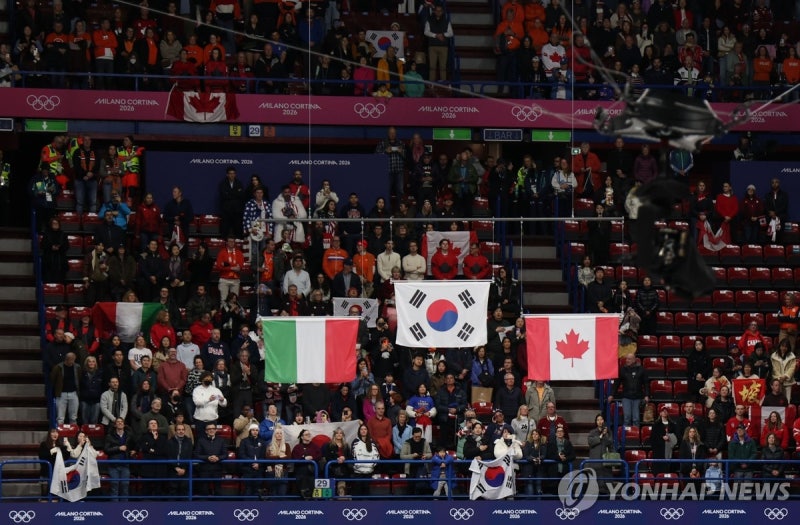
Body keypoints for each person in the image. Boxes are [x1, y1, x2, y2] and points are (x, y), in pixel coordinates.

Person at [608, 354, 649, 428]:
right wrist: (612, 395)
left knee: (636, 418)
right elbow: (616, 383)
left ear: (634, 360)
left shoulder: (641, 369)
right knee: (627, 418)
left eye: (629, 359)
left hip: (637, 397)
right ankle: (626, 436)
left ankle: (636, 435)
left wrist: (646, 395)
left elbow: (646, 383)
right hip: (626, 397)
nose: (627, 360)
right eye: (626, 359)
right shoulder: (622, 370)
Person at [104, 417, 134, 501]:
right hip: (114, 465)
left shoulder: (129, 435)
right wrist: (118, 448)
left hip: (125, 464)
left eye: (121, 422)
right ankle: (114, 509)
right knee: (114, 485)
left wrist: (133, 450)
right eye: (118, 422)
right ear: (115, 425)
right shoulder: (109, 436)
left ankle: (124, 508)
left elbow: (135, 445)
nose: (120, 423)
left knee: (125, 485)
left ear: (124, 424)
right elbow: (106, 450)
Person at [194, 422, 227, 496]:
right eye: (209, 429)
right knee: (204, 491)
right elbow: (196, 454)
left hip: (217, 469)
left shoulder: (221, 440)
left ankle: (218, 507)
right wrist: (207, 458)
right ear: (206, 431)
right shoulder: (201, 440)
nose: (211, 430)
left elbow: (225, 454)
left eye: (213, 429)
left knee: (218, 491)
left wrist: (218, 458)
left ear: (216, 430)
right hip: (204, 469)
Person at [139, 418, 168, 497]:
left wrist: (152, 450)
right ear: (148, 427)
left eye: (155, 423)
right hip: (148, 466)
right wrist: (154, 441)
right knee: (146, 488)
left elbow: (164, 451)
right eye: (151, 423)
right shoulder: (144, 437)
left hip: (159, 467)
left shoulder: (163, 437)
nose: (153, 424)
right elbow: (144, 449)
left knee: (158, 489)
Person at [292, 428, 322, 499]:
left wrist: (312, 457)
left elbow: (320, 455)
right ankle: (304, 492)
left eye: (309, 434)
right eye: (306, 434)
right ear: (302, 437)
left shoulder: (315, 446)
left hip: (313, 471)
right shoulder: (297, 447)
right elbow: (294, 459)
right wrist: (304, 459)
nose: (308, 436)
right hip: (301, 473)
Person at [237, 423, 266, 498]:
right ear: (250, 431)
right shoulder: (244, 441)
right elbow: (241, 455)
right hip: (247, 469)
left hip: (259, 470)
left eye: (256, 430)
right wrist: (252, 463)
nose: (255, 432)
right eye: (253, 430)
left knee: (257, 491)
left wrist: (258, 464)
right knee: (248, 490)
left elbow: (264, 456)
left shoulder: (262, 442)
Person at [650, 406, 677, 474]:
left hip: (669, 448)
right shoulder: (656, 425)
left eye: (666, 411)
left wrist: (669, 437)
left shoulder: (672, 424)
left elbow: (676, 436)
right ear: (660, 413)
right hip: (659, 450)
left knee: (668, 468)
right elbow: (653, 437)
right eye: (663, 411)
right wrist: (661, 438)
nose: (664, 412)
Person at [771, 338, 796, 403]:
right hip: (777, 381)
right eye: (782, 346)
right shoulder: (774, 356)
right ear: (779, 346)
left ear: (788, 348)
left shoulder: (792, 356)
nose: (783, 348)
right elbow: (774, 368)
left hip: (788, 381)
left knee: (787, 400)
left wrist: (785, 376)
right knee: (777, 400)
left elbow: (792, 368)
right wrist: (779, 378)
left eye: (786, 347)